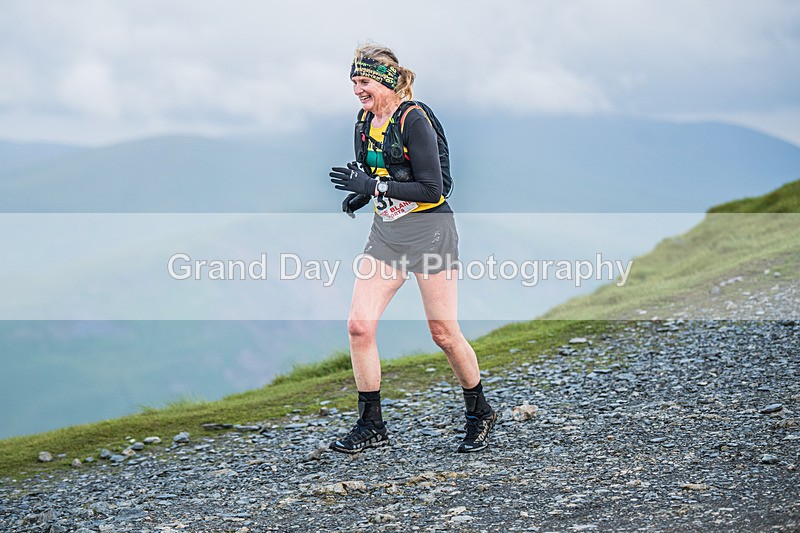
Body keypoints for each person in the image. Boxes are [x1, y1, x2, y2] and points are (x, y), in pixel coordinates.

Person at [328, 43, 496, 454]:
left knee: (443, 332)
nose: (356, 90)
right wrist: (363, 195)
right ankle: (371, 424)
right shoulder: (365, 120)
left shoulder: (414, 118)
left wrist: (374, 187)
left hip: (430, 233)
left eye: (363, 81)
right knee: (359, 327)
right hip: (386, 235)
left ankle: (480, 411)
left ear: (385, 81)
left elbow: (432, 188)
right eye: (353, 82)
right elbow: (378, 172)